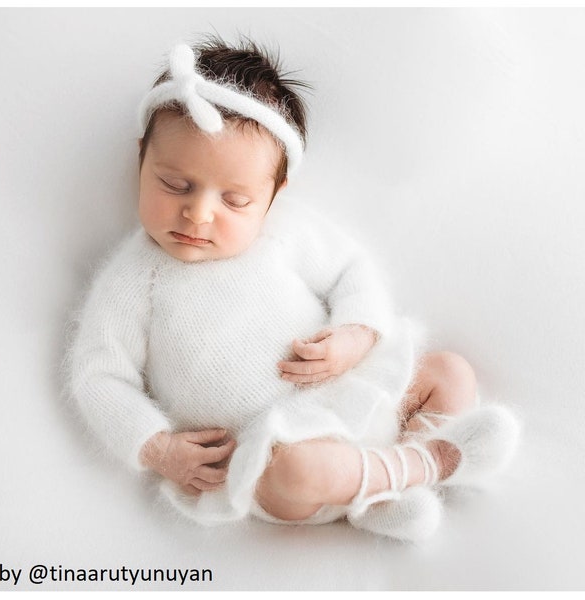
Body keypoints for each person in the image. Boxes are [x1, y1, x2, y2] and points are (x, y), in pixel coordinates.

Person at [68, 37, 520, 541]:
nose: (199, 213)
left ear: (273, 194)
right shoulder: (133, 279)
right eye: (175, 185)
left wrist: (356, 335)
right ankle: (426, 464)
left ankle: (380, 491)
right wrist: (158, 447)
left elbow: (353, 270)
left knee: (448, 372)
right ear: (141, 160)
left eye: (236, 199)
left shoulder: (285, 231)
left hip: (356, 394)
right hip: (274, 451)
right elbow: (98, 377)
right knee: (298, 472)